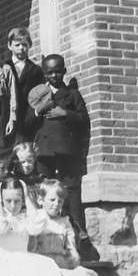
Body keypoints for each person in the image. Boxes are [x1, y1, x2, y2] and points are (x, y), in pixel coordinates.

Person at [27, 53, 93, 250]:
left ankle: (79, 234)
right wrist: (39, 110)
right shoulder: (38, 94)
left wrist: (65, 113)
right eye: (49, 73)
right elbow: (28, 122)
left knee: (71, 191)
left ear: (64, 71)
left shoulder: (72, 94)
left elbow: (84, 119)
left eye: (57, 71)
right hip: (45, 151)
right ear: (44, 74)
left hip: (67, 149)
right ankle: (42, 233)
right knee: (43, 190)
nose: (54, 76)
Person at [7, 27, 44, 142]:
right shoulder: (4, 67)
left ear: (29, 46)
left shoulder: (36, 70)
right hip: (9, 119)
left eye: (24, 45)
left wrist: (32, 115)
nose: (21, 48)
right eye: (17, 45)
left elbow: (39, 96)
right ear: (10, 45)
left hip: (28, 119)